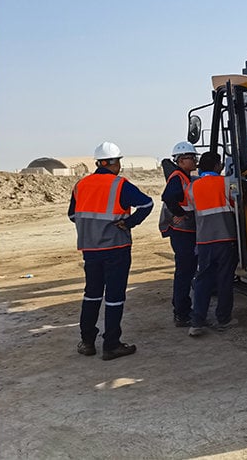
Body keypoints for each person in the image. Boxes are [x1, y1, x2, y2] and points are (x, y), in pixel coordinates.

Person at [68, 141, 153, 360]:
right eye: (119, 163)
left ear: (98, 162)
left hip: (90, 249)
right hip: (116, 247)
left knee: (92, 294)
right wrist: (130, 222)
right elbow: (147, 204)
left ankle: (87, 342)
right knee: (114, 297)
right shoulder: (119, 184)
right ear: (113, 163)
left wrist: (89, 229)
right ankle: (111, 345)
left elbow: (72, 215)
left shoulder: (81, 185)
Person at [186, 151, 238, 336]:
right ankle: (224, 318)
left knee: (202, 280)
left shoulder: (192, 187)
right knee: (224, 279)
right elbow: (237, 203)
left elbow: (189, 208)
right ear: (217, 166)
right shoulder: (226, 182)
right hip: (226, 238)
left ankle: (197, 321)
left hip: (204, 240)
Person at [158, 141, 199, 327]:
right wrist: (180, 214)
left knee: (186, 270)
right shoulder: (178, 178)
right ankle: (181, 312)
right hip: (182, 232)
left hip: (186, 231)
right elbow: (168, 197)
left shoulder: (184, 177)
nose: (195, 161)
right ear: (182, 160)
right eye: (192, 158)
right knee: (184, 271)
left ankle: (182, 309)